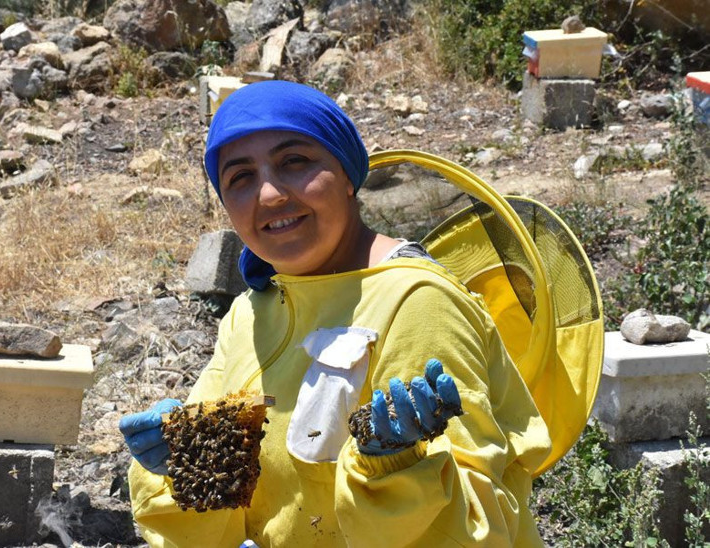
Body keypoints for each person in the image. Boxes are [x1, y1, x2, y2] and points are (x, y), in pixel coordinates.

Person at [120, 80, 552, 547]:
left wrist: (396, 470)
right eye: (240, 178)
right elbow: (230, 514)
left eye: (294, 162)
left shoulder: (417, 301)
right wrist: (185, 464)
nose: (268, 195)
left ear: (347, 175)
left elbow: (478, 523)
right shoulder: (249, 312)